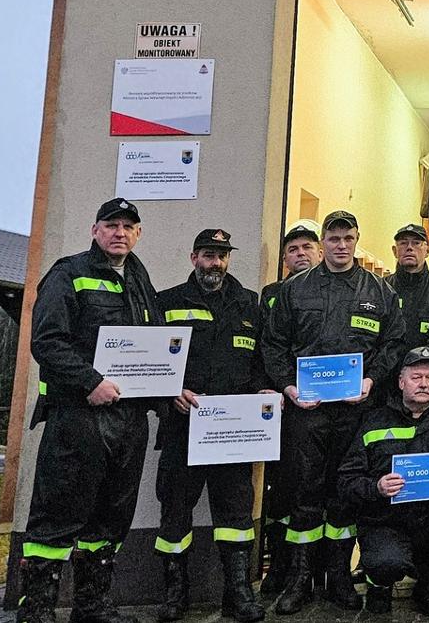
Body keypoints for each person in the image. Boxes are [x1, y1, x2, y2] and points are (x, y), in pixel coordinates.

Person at [13, 198, 161, 623]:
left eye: (128, 226)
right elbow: (47, 341)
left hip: (128, 419)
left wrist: (164, 387)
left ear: (138, 234)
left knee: (111, 517)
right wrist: (90, 382)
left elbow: (148, 349)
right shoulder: (69, 272)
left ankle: (92, 608)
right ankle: (37, 610)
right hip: (78, 417)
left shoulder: (139, 278)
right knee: (58, 514)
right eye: (111, 225)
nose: (120, 232)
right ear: (95, 230)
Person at [259, 210, 407, 614]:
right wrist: (289, 387)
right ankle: (300, 580)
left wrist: (372, 380)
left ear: (357, 240)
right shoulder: (295, 291)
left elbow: (393, 343)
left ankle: (339, 577)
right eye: (334, 238)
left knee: (345, 496)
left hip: (356, 411)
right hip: (307, 411)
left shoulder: (379, 292)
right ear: (323, 241)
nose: (341, 245)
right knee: (304, 495)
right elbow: (272, 345)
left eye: (348, 238)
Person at [151, 230, 270, 623]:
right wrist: (170, 392)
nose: (215, 262)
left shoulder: (249, 305)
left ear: (228, 260)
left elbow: (259, 365)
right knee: (174, 514)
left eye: (221, 256)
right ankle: (174, 595)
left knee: (236, 514)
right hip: (183, 428)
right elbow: (150, 364)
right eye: (207, 255)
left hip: (233, 433)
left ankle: (237, 595)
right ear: (193, 257)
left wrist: (265, 393)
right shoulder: (167, 302)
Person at [336, 347, 429, 617]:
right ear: (400, 382)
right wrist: (377, 487)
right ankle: (379, 585)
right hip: (387, 520)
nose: (423, 383)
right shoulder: (374, 422)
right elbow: (346, 480)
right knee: (386, 563)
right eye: (416, 376)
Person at [259, 218, 321, 593]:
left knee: (314, 491)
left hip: (326, 409)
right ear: (284, 258)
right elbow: (266, 348)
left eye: (306, 248)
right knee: (280, 489)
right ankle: (278, 567)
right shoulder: (270, 293)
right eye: (293, 250)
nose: (300, 254)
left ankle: (311, 573)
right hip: (283, 406)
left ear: (320, 252)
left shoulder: (333, 291)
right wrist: (273, 387)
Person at [388, 224, 429, 347]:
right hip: (387, 365)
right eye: (403, 243)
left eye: (416, 243)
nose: (409, 248)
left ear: (427, 251)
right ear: (395, 251)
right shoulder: (380, 289)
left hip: (427, 364)